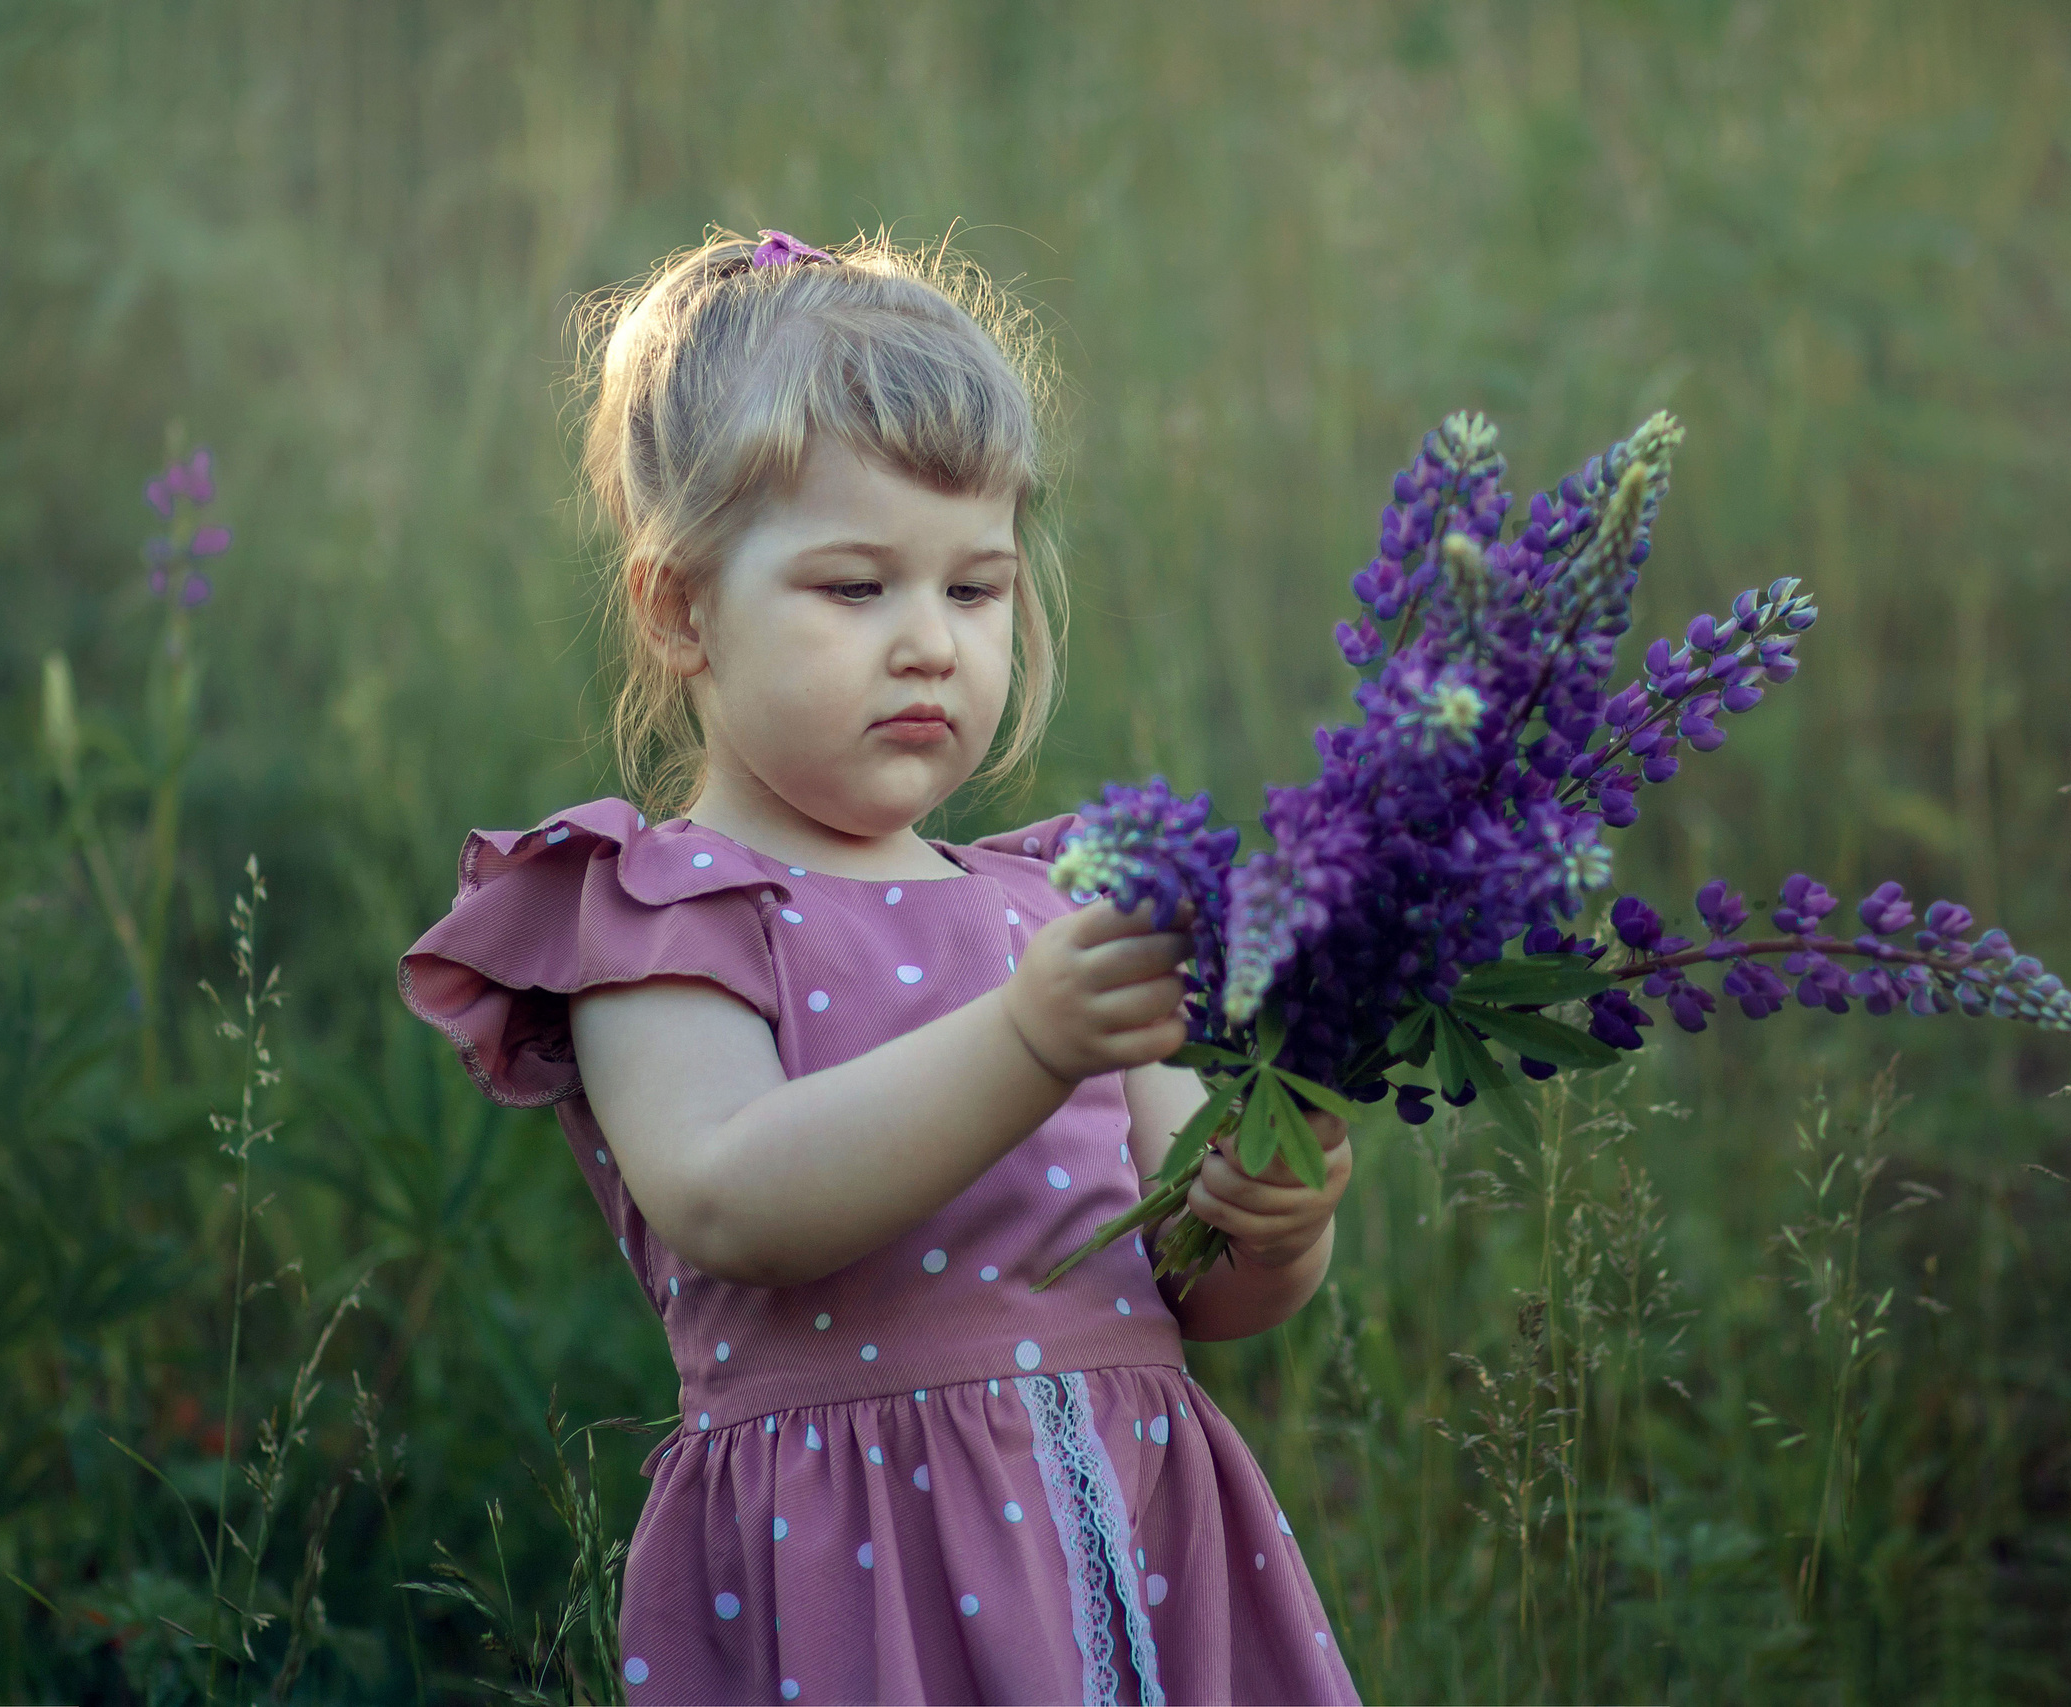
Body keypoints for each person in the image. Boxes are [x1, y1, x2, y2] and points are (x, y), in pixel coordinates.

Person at [399, 226, 1360, 1705]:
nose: (929, 646)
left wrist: (1273, 1222)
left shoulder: (1060, 905)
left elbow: (1192, 1282)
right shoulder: (662, 912)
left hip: (1132, 1529)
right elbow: (729, 1197)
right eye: (856, 589)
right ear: (680, 609)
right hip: (857, 1556)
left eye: (974, 590)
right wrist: (1027, 1044)